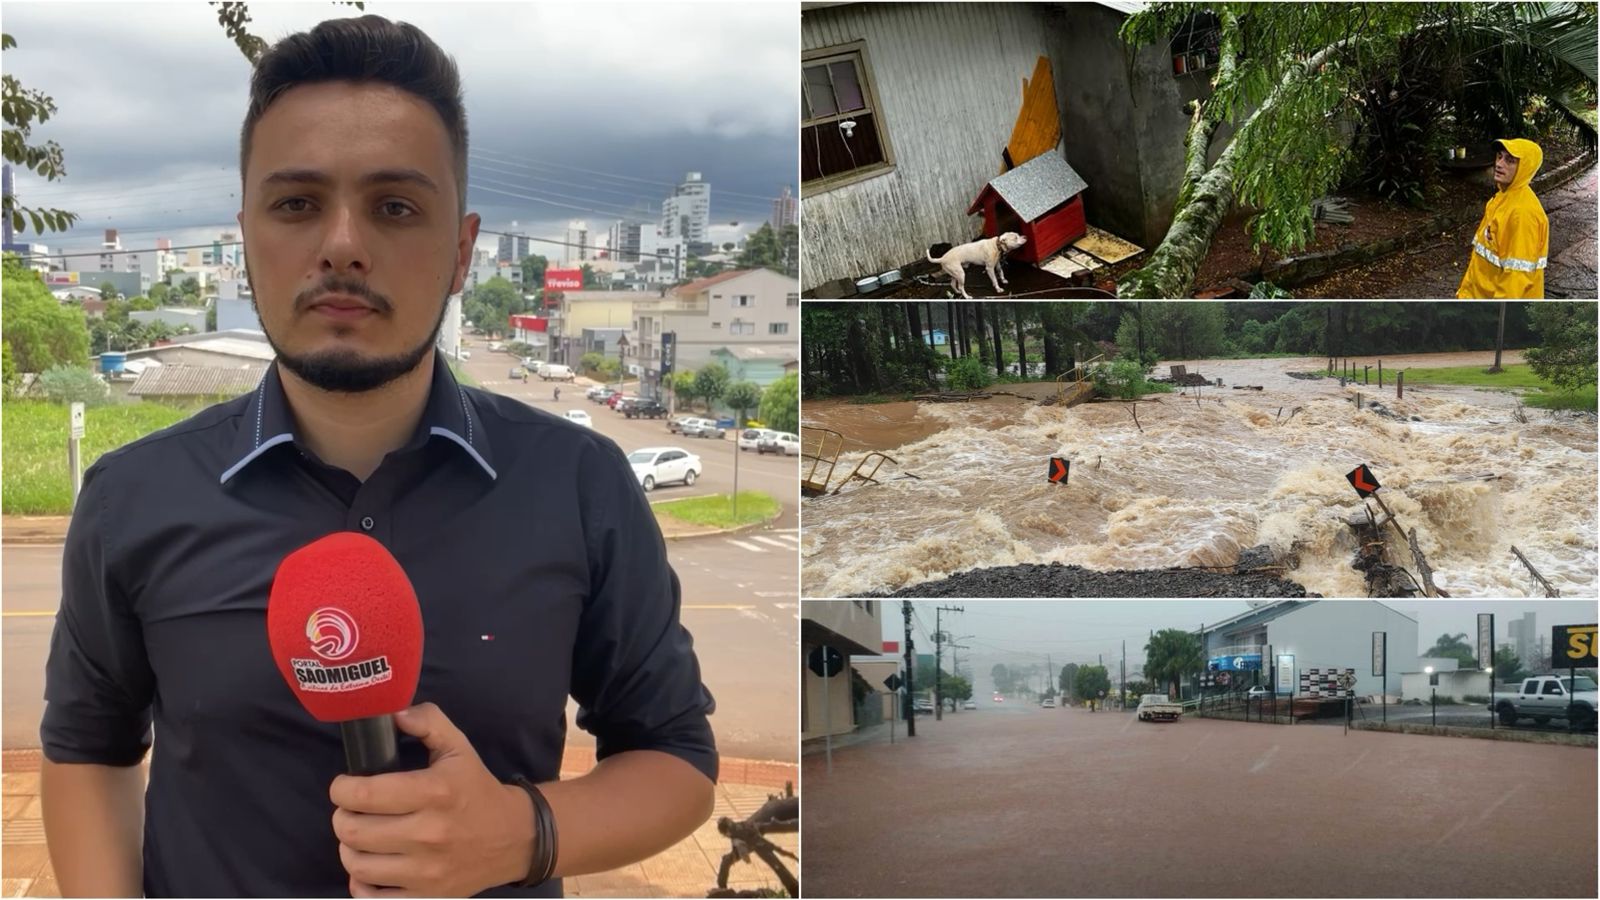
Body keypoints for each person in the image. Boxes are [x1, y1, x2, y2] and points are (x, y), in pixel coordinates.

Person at [40, 16, 716, 898]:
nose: (343, 243)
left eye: (396, 206)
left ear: (463, 251)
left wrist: (522, 834)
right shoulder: (133, 496)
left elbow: (676, 759)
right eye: (296, 204)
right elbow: (89, 751)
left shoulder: (579, 484)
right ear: (245, 239)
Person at [1457, 138, 1549, 298]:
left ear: (1524, 168)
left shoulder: (1523, 214)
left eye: (1510, 161)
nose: (1499, 164)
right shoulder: (1501, 199)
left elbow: (1516, 280)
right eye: (1499, 156)